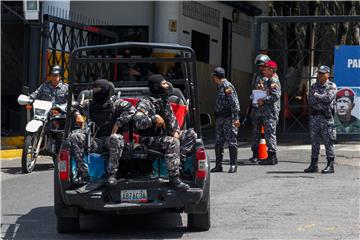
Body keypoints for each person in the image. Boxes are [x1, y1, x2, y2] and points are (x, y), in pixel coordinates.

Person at [133, 74, 197, 191]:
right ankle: (174, 179)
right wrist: (153, 119)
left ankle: (178, 166)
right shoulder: (146, 102)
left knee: (191, 134)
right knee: (172, 142)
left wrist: (176, 132)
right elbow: (137, 122)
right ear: (156, 87)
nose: (167, 85)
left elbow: (173, 122)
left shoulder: (164, 102)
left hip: (163, 137)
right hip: (149, 139)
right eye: (164, 83)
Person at [70, 79, 136, 186]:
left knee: (116, 138)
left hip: (112, 141)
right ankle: (83, 172)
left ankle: (112, 174)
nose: (96, 92)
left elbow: (132, 110)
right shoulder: (89, 104)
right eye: (94, 89)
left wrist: (118, 123)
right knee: (75, 136)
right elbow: (72, 106)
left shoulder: (116, 103)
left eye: (99, 89)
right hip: (95, 141)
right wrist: (77, 114)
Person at [305, 65, 337, 174]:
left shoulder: (332, 86)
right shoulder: (314, 86)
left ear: (328, 74)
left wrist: (317, 96)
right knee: (314, 142)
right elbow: (310, 100)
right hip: (315, 117)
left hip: (326, 118)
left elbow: (328, 99)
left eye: (322, 73)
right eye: (319, 73)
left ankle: (330, 165)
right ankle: (314, 165)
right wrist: (319, 97)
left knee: (328, 141)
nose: (320, 75)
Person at [210, 67, 241, 173]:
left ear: (217, 76)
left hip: (229, 118)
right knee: (218, 142)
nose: (213, 78)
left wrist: (236, 118)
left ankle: (233, 165)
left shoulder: (227, 86)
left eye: (214, 76)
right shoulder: (219, 86)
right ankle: (218, 165)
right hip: (220, 118)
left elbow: (234, 103)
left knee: (231, 141)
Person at [251, 61, 281, 165]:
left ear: (272, 70)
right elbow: (266, 92)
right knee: (268, 134)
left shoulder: (273, 80)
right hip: (265, 112)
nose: (264, 70)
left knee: (270, 134)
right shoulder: (268, 80)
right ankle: (272, 157)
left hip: (270, 113)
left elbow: (275, 96)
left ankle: (272, 158)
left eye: (266, 69)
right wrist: (261, 89)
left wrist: (264, 100)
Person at [248, 54, 271, 163]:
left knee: (268, 132)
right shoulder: (256, 76)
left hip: (266, 108)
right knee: (255, 132)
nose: (261, 68)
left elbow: (272, 93)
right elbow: (253, 89)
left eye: (262, 66)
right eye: (259, 66)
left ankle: (270, 155)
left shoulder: (270, 77)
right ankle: (255, 154)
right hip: (256, 107)